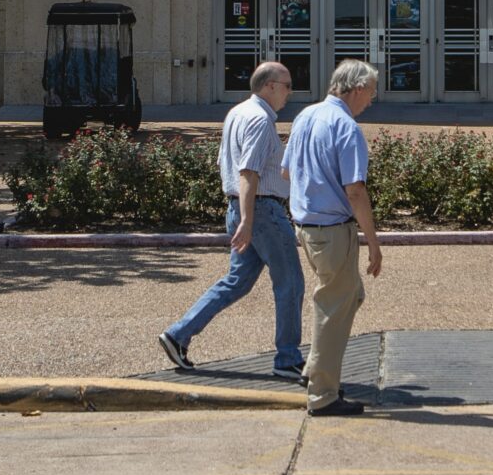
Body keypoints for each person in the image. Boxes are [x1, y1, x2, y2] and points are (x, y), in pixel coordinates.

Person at [158, 62, 303, 380]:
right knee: (290, 283)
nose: (290, 92)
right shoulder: (260, 119)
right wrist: (249, 222)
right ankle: (288, 359)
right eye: (287, 84)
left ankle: (178, 335)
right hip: (261, 212)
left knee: (236, 282)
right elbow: (248, 172)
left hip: (242, 209)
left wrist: (244, 218)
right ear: (269, 86)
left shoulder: (237, 113)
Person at [287, 58, 385, 416]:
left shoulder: (306, 116)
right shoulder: (347, 127)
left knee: (348, 295)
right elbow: (356, 190)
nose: (371, 101)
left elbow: (287, 169)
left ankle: (314, 369)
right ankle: (323, 395)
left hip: (307, 227)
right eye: (371, 93)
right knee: (334, 307)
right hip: (332, 229)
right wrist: (373, 242)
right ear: (357, 89)